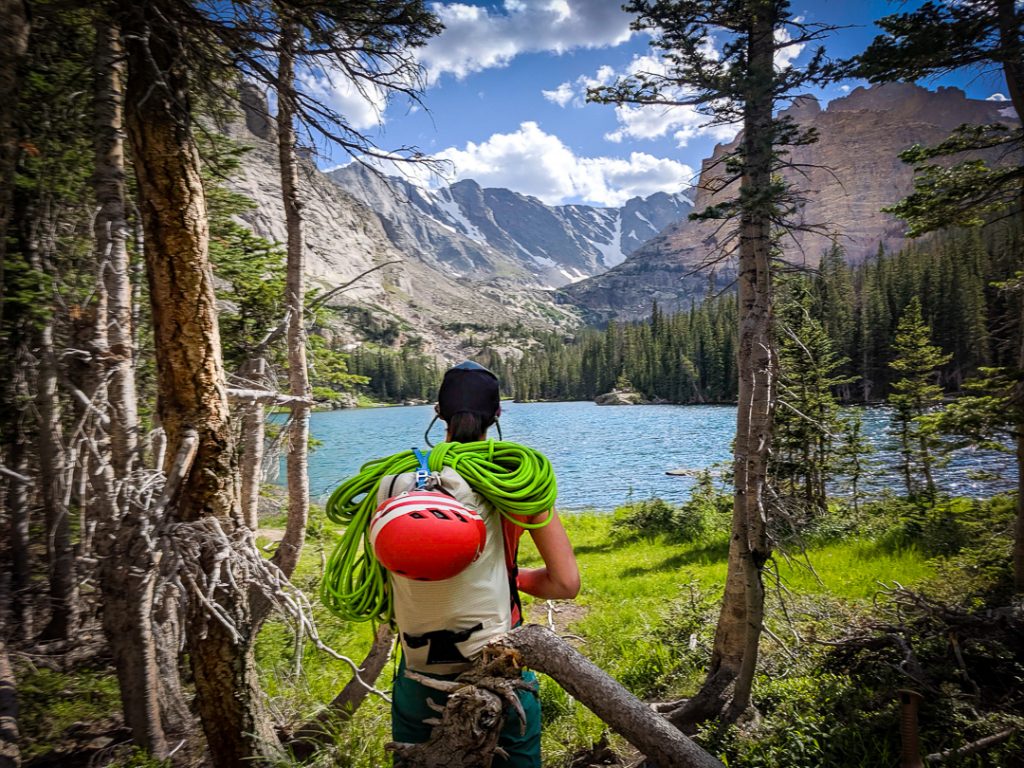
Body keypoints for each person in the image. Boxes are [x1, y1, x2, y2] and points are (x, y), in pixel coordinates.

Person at [382, 361, 580, 767]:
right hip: (498, 659)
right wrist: (512, 578)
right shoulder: (517, 481)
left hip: (418, 665)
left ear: (438, 414)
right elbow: (564, 584)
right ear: (498, 416)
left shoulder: (395, 481)